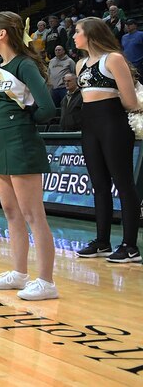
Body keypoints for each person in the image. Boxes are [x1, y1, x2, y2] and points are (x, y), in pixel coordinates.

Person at [0, 11, 59, 301]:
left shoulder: (25, 65)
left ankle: (47, 281)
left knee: (33, 214)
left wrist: (25, 121)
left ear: (3, 33)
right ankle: (19, 273)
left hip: (21, 141)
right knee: (11, 212)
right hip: (0, 142)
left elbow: (47, 109)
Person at [72, 17, 141, 264]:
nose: (73, 36)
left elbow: (131, 101)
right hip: (89, 125)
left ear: (90, 34)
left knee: (123, 183)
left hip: (113, 123)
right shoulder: (80, 65)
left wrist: (109, 105)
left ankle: (130, 246)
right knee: (98, 184)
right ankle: (102, 241)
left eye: (77, 32)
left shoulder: (113, 59)